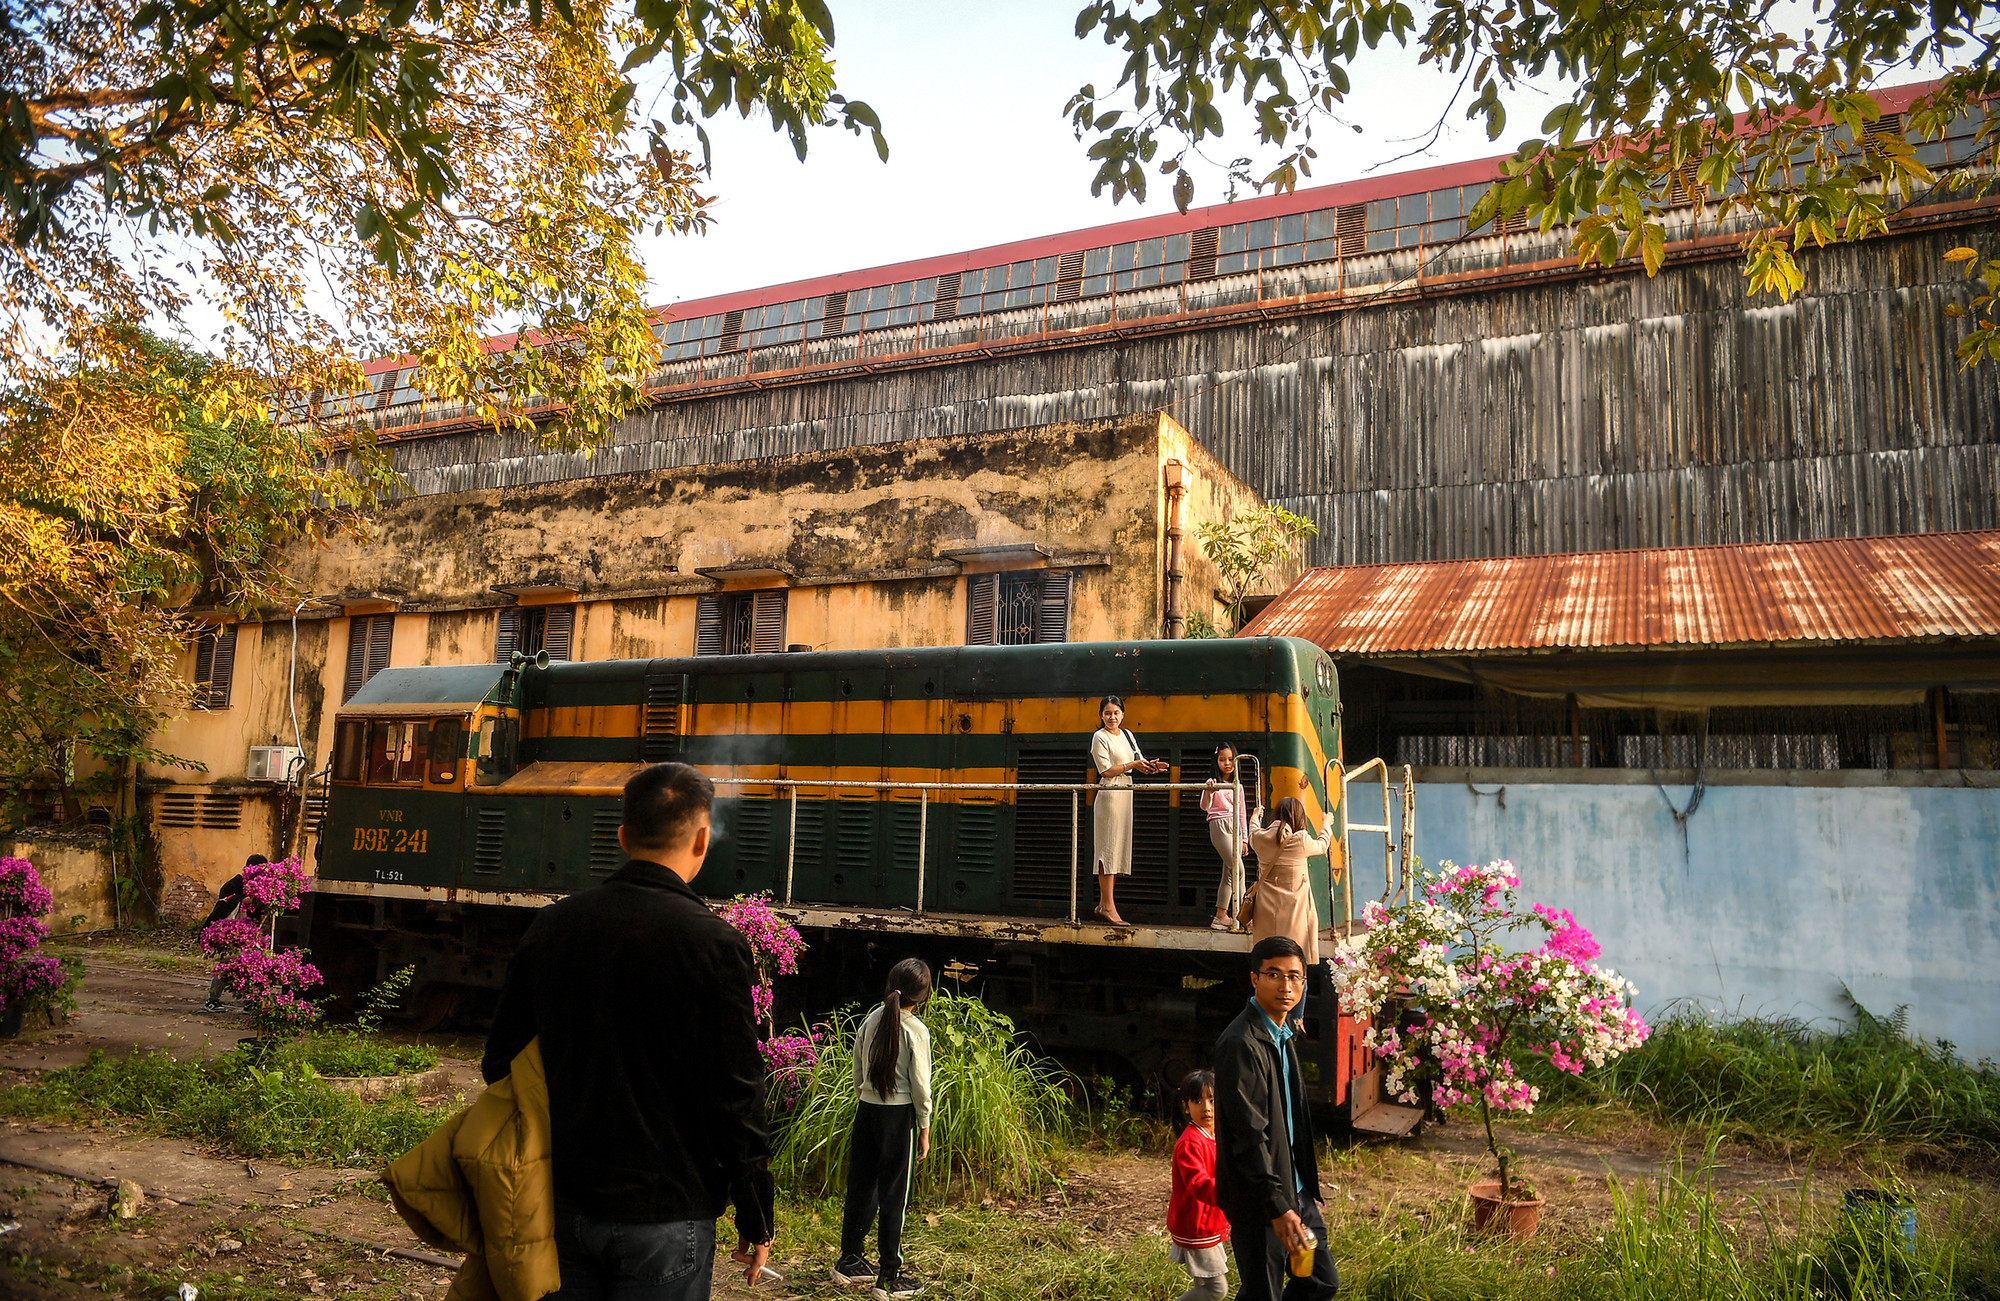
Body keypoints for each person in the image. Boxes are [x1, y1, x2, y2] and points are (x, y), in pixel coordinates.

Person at [483, 762, 775, 1300]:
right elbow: (737, 1093)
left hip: (558, 1202)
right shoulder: (715, 945)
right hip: (668, 1213)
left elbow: (500, 1062)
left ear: (622, 837)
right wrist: (754, 1209)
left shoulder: (552, 926)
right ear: (703, 838)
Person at [1214, 936, 1338, 1301]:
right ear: (1254, 978)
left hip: (1294, 1190)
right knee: (1263, 1292)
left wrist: (1296, 1196)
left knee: (1321, 1281)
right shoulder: (1241, 1043)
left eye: (1294, 976)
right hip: (1260, 1200)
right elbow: (1248, 1136)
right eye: (1274, 974)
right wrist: (1277, 1206)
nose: (1286, 985)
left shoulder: (1282, 1034)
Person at [832, 958, 934, 1299]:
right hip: (898, 1117)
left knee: (860, 1185)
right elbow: (920, 1087)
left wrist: (866, 1095)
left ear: (890, 984)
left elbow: (857, 1068)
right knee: (894, 1195)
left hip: (867, 1109)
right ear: (923, 995)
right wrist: (924, 1127)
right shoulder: (916, 1030)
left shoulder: (871, 1019)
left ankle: (850, 1259)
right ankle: (888, 1277)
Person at [1088, 695, 1167, 927]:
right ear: (1101, 715)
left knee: (1118, 849)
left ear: (1123, 714)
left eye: (1116, 713)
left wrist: (1152, 767)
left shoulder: (1128, 735)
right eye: (1107, 713)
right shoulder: (1099, 737)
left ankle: (1104, 904)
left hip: (1126, 792)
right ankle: (1108, 906)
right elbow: (1105, 770)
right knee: (1107, 849)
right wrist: (1133, 765)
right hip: (1110, 794)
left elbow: (1138, 760)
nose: (1112, 717)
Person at [1246, 780, 1329, 967]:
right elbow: (1323, 844)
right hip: (1295, 912)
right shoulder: (1301, 840)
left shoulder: (1260, 838)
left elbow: (1252, 832)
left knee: (1267, 959)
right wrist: (1326, 823)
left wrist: (1255, 816)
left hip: (1265, 911)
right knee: (1296, 961)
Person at [1167, 1069, 1229, 1301]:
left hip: (1208, 1223)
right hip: (1197, 1227)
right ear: (1186, 1107)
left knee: (1204, 1285)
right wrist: (1231, 1190)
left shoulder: (1213, 1136)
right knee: (1216, 1290)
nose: (1207, 1108)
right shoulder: (1190, 1143)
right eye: (1198, 1101)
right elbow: (1199, 1184)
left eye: (1212, 1100)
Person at [1202, 745, 1259, 933]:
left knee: (1228, 873)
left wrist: (1245, 839)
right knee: (1238, 869)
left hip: (1235, 827)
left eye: (1230, 759)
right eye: (1222, 759)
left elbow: (1241, 812)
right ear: (1216, 761)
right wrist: (1209, 791)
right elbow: (1204, 806)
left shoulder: (1238, 785)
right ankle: (1244, 916)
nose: (1227, 763)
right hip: (1219, 825)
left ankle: (1220, 916)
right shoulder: (1212, 782)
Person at [199, 854, 265, 1013]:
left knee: (253, 965)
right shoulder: (232, 886)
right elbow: (222, 907)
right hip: (230, 934)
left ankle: (250, 1001)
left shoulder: (260, 887)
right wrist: (242, 900)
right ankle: (212, 1000)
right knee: (225, 966)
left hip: (250, 935)